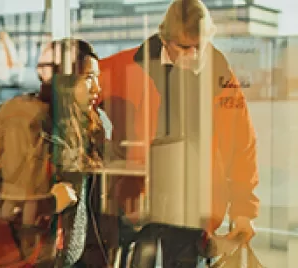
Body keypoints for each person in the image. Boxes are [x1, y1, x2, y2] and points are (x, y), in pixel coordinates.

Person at [95, 0, 260, 266]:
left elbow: (243, 147)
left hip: (192, 209)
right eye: (184, 47)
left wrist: (243, 211)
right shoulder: (127, 66)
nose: (194, 54)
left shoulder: (221, 78)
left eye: (200, 46)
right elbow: (76, 86)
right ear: (165, 39)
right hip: (137, 205)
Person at [0, 38, 107, 267]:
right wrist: (46, 203)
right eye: (89, 78)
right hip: (33, 261)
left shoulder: (87, 128)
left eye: (97, 78)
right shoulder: (27, 127)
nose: (97, 88)